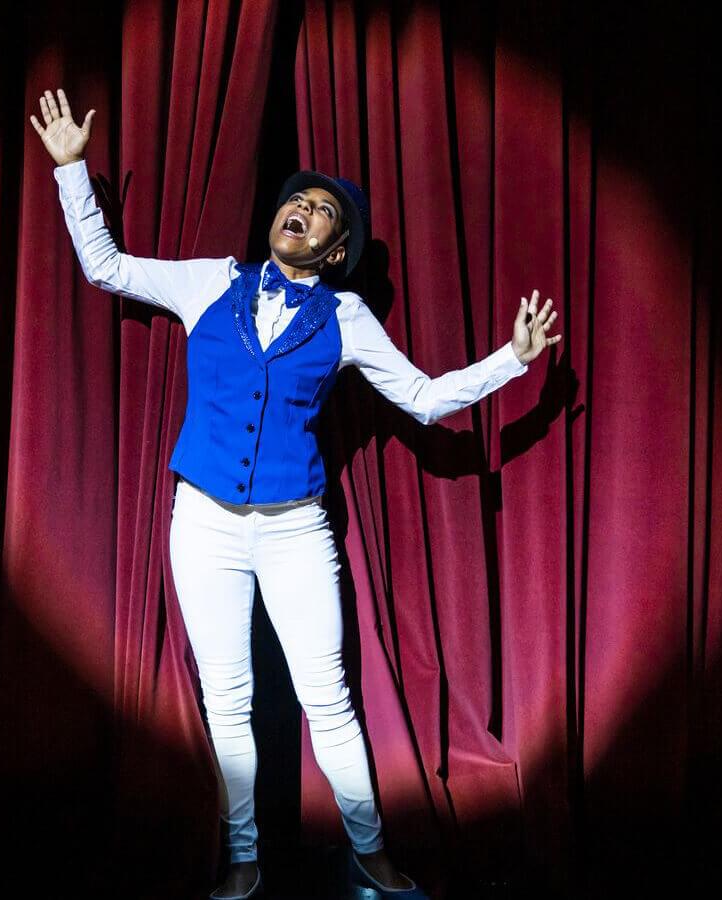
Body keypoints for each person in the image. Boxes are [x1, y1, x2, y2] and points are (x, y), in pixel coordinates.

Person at [31, 88, 559, 900]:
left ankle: (370, 853)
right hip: (203, 525)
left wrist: (511, 361)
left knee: (329, 699)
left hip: (296, 531)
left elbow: (422, 398)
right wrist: (72, 170)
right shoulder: (212, 282)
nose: (302, 212)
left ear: (336, 249)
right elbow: (107, 268)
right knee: (228, 700)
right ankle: (243, 856)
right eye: (296, 201)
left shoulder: (346, 317)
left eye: (321, 212)